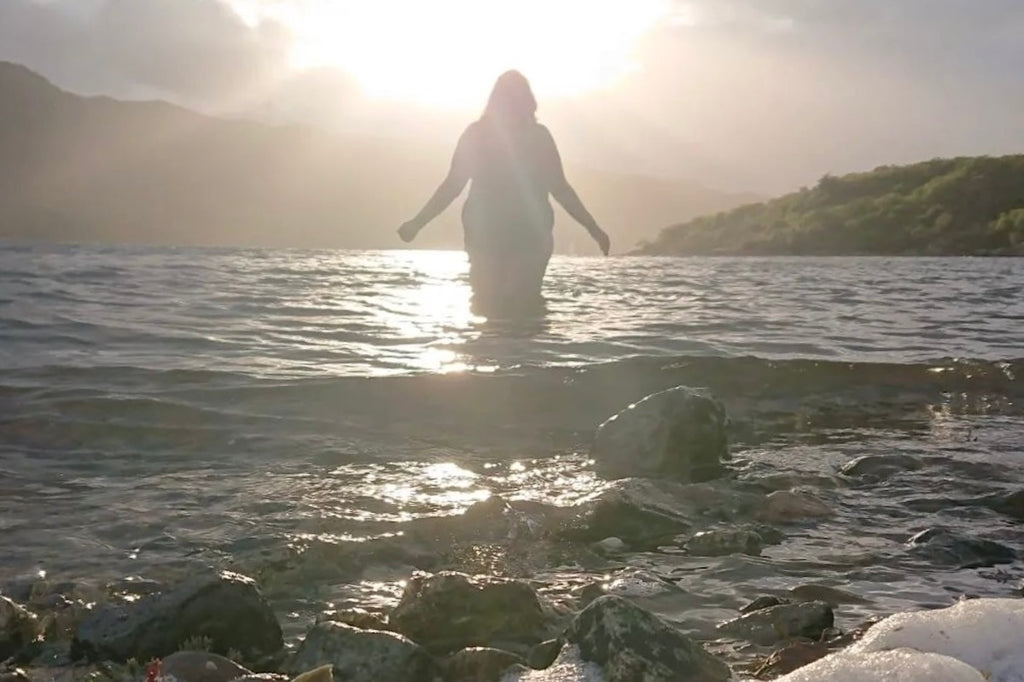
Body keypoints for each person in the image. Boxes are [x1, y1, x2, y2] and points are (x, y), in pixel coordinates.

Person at [398, 70, 610, 315]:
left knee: (507, 304)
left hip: (523, 234)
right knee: (505, 304)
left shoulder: (531, 136)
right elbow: (453, 185)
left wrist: (593, 228)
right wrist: (417, 223)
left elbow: (560, 188)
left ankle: (506, 347)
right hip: (492, 234)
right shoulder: (483, 135)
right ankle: (518, 347)